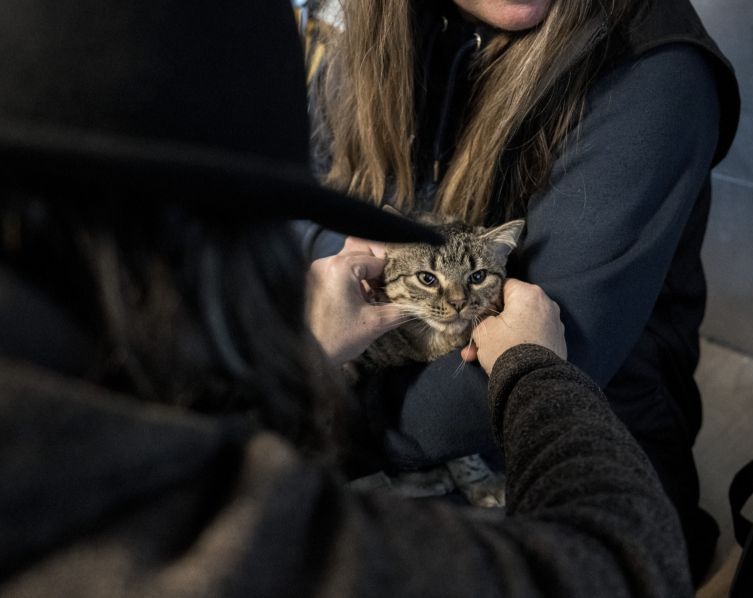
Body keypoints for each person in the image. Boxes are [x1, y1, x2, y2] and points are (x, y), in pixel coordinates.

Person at [0, 0, 695, 595]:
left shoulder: (654, 74)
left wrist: (304, 382)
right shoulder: (183, 529)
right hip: (494, 447)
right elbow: (624, 567)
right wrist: (536, 372)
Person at [300, 0, 740, 582]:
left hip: (565, 452)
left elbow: (533, 367)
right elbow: (297, 208)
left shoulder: (654, 75)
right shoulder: (368, 21)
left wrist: (304, 401)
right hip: (374, 407)